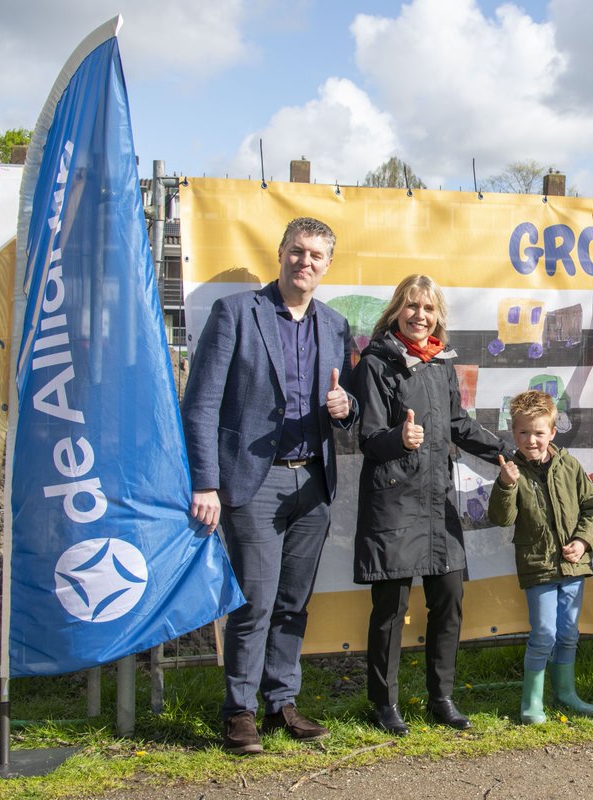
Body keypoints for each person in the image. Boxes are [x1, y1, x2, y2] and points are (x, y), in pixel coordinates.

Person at [181, 217, 358, 755]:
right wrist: (206, 483)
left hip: (313, 482)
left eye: (317, 256)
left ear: (328, 265)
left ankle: (281, 702)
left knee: (292, 602)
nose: (305, 262)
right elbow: (201, 403)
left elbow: (347, 407)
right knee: (254, 602)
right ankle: (239, 712)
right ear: (280, 253)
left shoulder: (334, 325)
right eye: (297, 252)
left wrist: (344, 407)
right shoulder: (236, 313)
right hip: (253, 484)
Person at [348, 274, 511, 736]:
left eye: (429, 308)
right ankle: (383, 703)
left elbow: (458, 424)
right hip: (394, 501)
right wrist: (399, 438)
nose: (420, 316)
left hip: (438, 503)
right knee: (390, 608)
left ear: (438, 315)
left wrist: (505, 450)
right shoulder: (376, 362)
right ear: (397, 309)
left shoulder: (441, 363)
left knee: (450, 599)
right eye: (412, 306)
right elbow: (368, 439)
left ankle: (441, 697)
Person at [487, 390, 593, 725]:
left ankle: (565, 693)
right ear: (514, 433)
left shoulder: (569, 465)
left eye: (539, 432)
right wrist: (506, 485)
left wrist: (582, 542)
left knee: (568, 633)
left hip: (573, 567)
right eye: (523, 433)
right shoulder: (512, 471)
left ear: (552, 432)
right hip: (537, 568)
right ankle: (531, 702)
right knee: (544, 634)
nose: (531, 440)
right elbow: (502, 518)